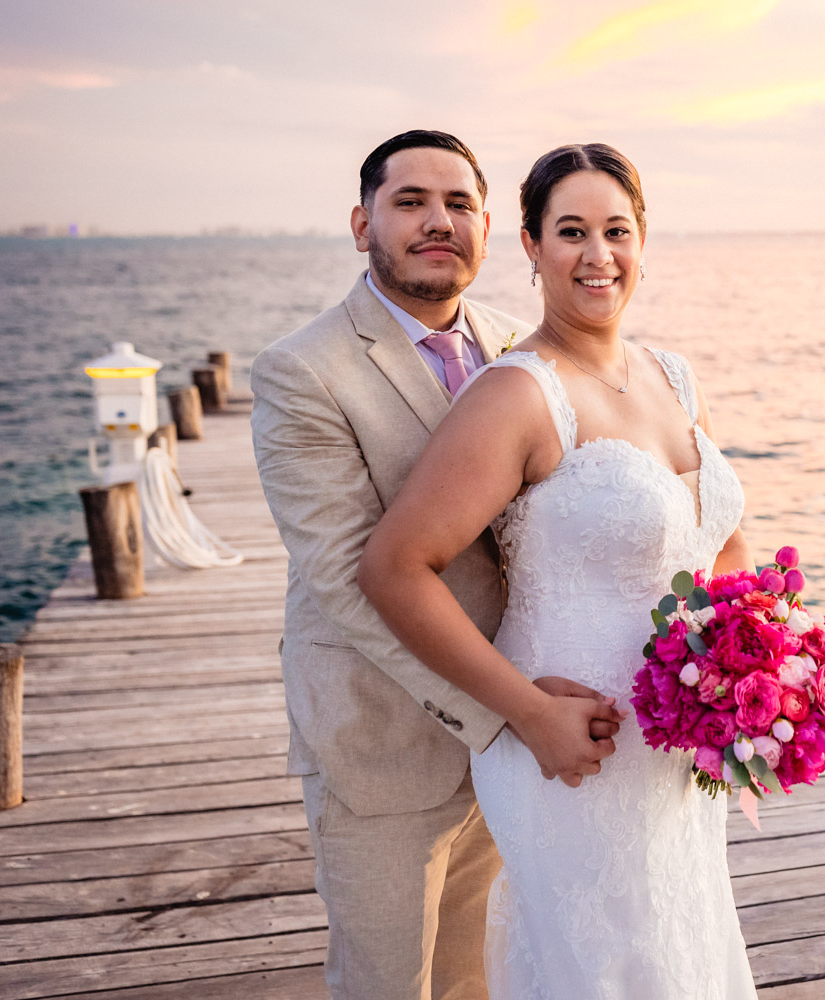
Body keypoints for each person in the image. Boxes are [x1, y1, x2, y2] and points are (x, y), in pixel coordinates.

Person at [358, 143, 760, 997]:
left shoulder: (675, 379)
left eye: (617, 230)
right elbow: (395, 568)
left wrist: (760, 664)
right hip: (570, 753)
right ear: (532, 247)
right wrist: (528, 711)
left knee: (681, 960)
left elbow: (718, 540)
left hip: (678, 753)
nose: (597, 254)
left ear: (644, 241)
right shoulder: (517, 395)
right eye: (570, 231)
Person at [250, 130, 623, 999]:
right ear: (361, 223)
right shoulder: (302, 372)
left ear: (491, 228)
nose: (437, 221)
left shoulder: (520, 350)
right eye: (410, 201)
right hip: (384, 741)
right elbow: (348, 579)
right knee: (388, 980)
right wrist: (512, 711)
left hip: (517, 734)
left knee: (473, 973)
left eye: (458, 204)